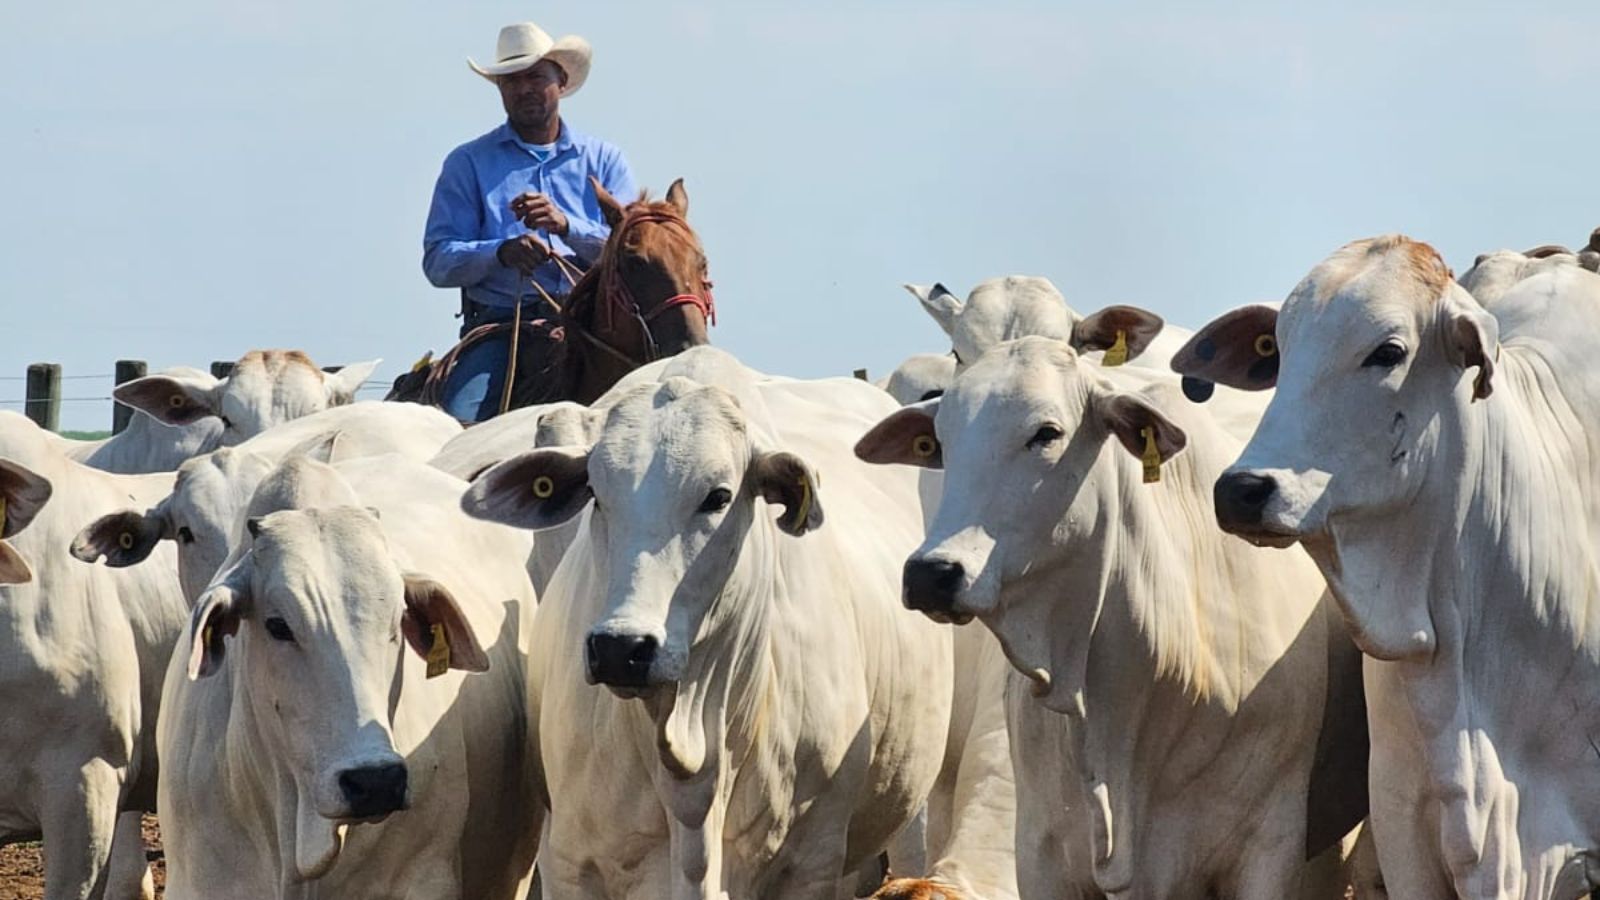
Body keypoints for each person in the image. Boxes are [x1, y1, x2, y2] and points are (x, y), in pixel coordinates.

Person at [422, 21, 637, 422]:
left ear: (561, 80)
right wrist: (500, 252)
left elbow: (629, 252)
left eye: (535, 76)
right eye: (510, 81)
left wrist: (567, 226)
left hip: (594, 329)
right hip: (502, 327)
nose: (523, 89)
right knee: (457, 424)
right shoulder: (467, 163)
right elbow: (438, 260)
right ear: (500, 91)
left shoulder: (604, 160)